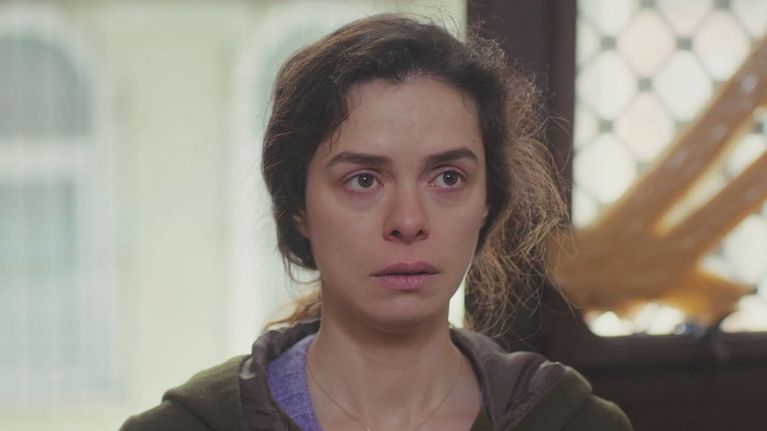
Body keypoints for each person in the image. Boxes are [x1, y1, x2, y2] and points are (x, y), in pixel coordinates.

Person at [121, 14, 632, 431]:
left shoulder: (574, 422)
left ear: (486, 202)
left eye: (447, 178)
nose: (408, 221)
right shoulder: (187, 426)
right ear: (298, 206)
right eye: (363, 180)